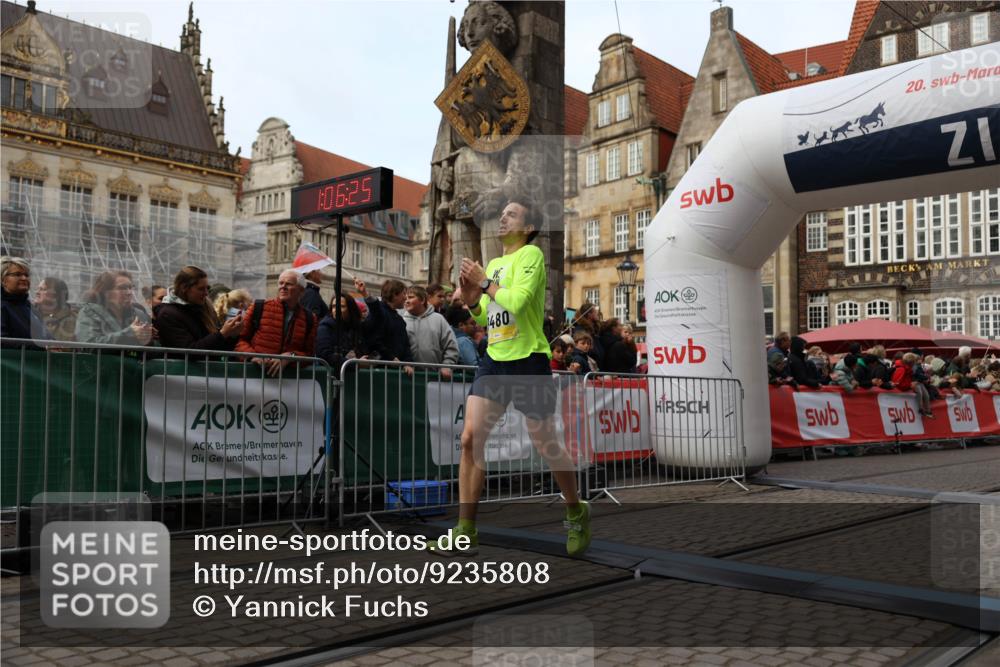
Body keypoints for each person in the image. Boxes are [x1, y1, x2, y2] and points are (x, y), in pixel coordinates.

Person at [432, 198, 590, 558]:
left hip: (528, 360)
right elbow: (487, 315)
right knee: (470, 439)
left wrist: (482, 282)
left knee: (546, 444)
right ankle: (465, 530)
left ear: (529, 225)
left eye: (511, 214)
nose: (502, 218)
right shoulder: (497, 263)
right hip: (495, 360)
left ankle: (575, 510)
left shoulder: (531, 256)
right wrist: (472, 299)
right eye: (501, 214)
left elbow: (517, 302)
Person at [235, 270, 317, 377]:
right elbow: (240, 340)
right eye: (280, 283)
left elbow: (309, 354)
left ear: (301, 291)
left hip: (289, 383)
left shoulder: (310, 318)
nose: (283, 287)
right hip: (254, 378)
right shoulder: (258, 307)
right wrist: (253, 356)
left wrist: (290, 357)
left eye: (289, 284)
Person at [154, 266, 243, 353]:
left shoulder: (204, 307)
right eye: (201, 289)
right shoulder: (167, 314)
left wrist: (232, 335)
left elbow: (218, 348)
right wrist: (222, 334)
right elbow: (190, 351)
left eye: (207, 288)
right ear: (184, 288)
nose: (206, 293)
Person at [75, 270, 154, 346]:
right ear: (105, 292)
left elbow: (153, 349)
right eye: (122, 288)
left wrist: (149, 339)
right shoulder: (89, 313)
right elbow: (88, 344)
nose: (129, 292)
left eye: (130, 287)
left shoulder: (139, 314)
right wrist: (129, 334)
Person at [400, 285, 459, 378]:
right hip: (408, 378)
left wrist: (447, 365)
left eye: (410, 297)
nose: (406, 301)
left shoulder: (438, 319)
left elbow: (451, 345)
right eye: (405, 298)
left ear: (422, 300)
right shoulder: (401, 321)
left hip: (435, 377)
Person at [358, 278, 413, 369]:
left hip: (396, 371)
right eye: (404, 293)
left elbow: (406, 345)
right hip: (379, 371)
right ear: (395, 294)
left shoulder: (400, 320)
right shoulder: (379, 313)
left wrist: (408, 364)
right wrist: (391, 358)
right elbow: (375, 341)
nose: (405, 298)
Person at [1, 257, 50, 347]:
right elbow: (3, 341)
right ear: (3, 280)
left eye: (26, 275)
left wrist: (56, 345)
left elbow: (46, 336)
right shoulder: (2, 306)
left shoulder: (29, 307)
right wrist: (41, 348)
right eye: (17, 274)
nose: (24, 278)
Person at [316, 291, 367, 372]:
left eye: (342, 306)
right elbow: (325, 354)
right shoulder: (325, 327)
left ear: (350, 309)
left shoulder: (356, 327)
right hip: (331, 377)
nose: (336, 309)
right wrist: (355, 364)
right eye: (333, 306)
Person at [34, 276, 77, 341]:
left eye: (43, 289)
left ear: (57, 295)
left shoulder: (73, 320)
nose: (37, 292)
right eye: (38, 289)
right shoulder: (30, 314)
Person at [892, 352, 933, 418]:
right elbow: (897, 382)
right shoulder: (901, 368)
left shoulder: (908, 368)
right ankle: (920, 408)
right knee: (919, 389)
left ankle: (928, 410)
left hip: (910, 384)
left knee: (923, 390)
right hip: (905, 386)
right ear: (911, 362)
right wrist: (910, 384)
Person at [571, 302, 603, 369]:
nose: (597, 313)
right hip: (588, 364)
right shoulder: (581, 329)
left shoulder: (595, 329)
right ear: (589, 314)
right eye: (595, 311)